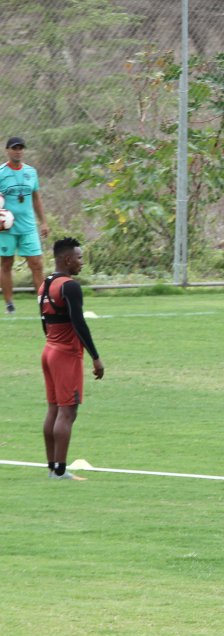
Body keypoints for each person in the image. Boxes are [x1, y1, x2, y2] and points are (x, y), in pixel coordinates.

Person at [40, 237, 104, 481]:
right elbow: (79, 323)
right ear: (67, 260)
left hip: (49, 351)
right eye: (79, 258)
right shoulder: (70, 286)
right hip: (66, 355)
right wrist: (95, 357)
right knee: (67, 412)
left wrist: (53, 342)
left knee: (53, 409)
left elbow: (44, 321)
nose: (81, 263)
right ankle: (60, 470)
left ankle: (51, 467)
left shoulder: (45, 284)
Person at [0, 137, 49, 315]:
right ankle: (9, 304)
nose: (18, 151)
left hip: (28, 226)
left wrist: (43, 222)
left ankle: (43, 304)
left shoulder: (31, 172)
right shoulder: (1, 172)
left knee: (36, 264)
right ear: (7, 150)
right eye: (14, 148)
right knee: (6, 263)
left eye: (21, 148)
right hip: (6, 228)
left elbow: (36, 198)